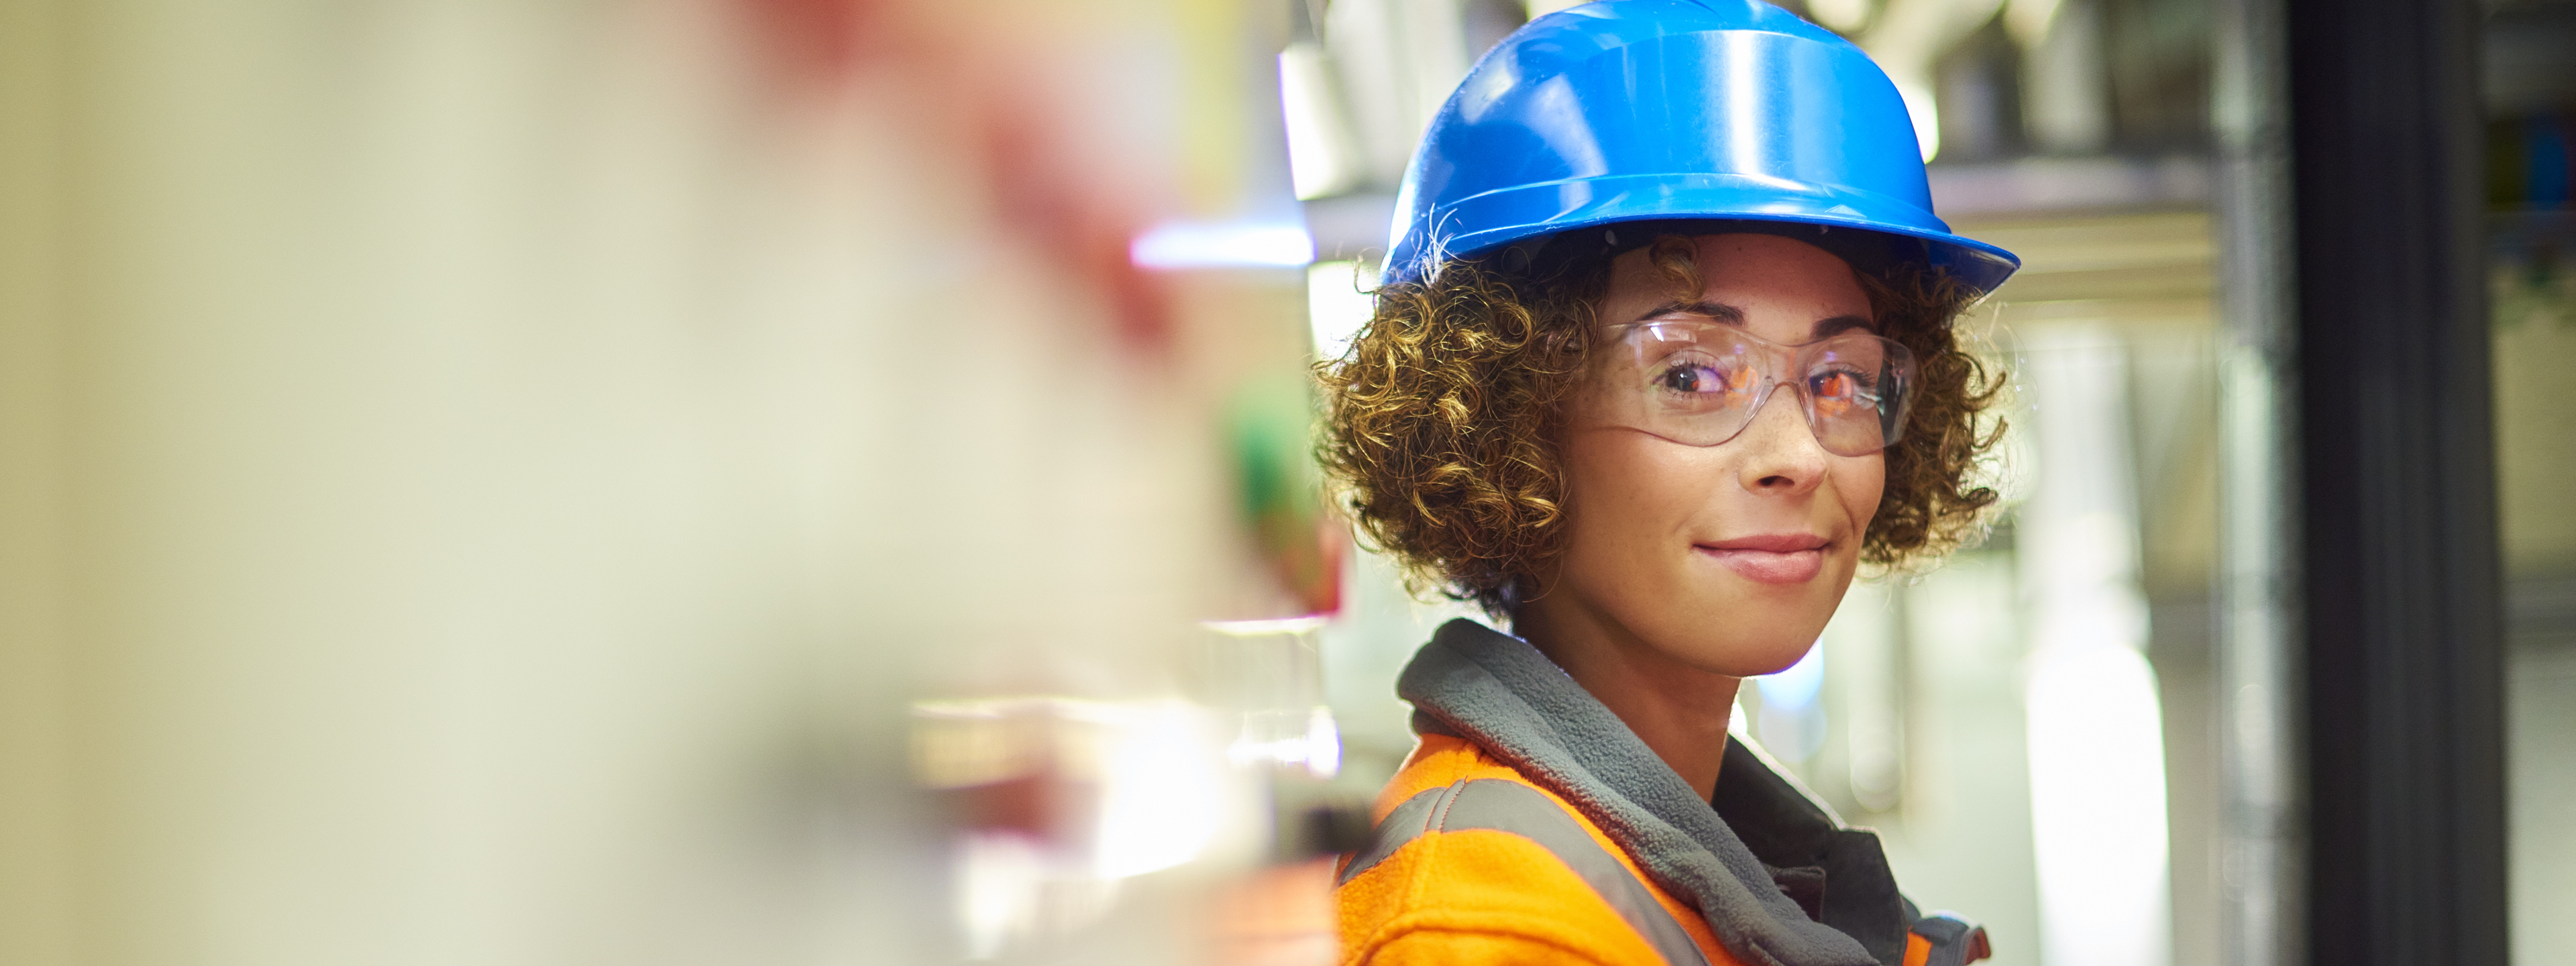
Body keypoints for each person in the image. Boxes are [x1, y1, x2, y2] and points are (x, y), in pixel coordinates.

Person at [1315, 3, 2018, 965]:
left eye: (1843, 378)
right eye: (1690, 374)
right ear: (1509, 416)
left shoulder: (1706, 879)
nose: (1802, 455)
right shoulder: (1484, 928)